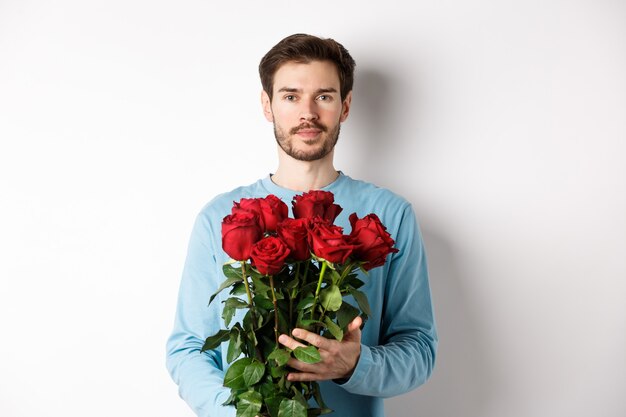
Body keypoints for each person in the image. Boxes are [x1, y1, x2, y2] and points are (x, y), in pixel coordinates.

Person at [165, 33, 437, 417]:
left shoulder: (389, 215)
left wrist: (354, 365)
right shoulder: (220, 217)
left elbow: (420, 349)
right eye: (291, 96)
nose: (307, 112)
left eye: (323, 96)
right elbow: (188, 348)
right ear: (268, 105)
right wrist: (238, 412)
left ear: (345, 107)